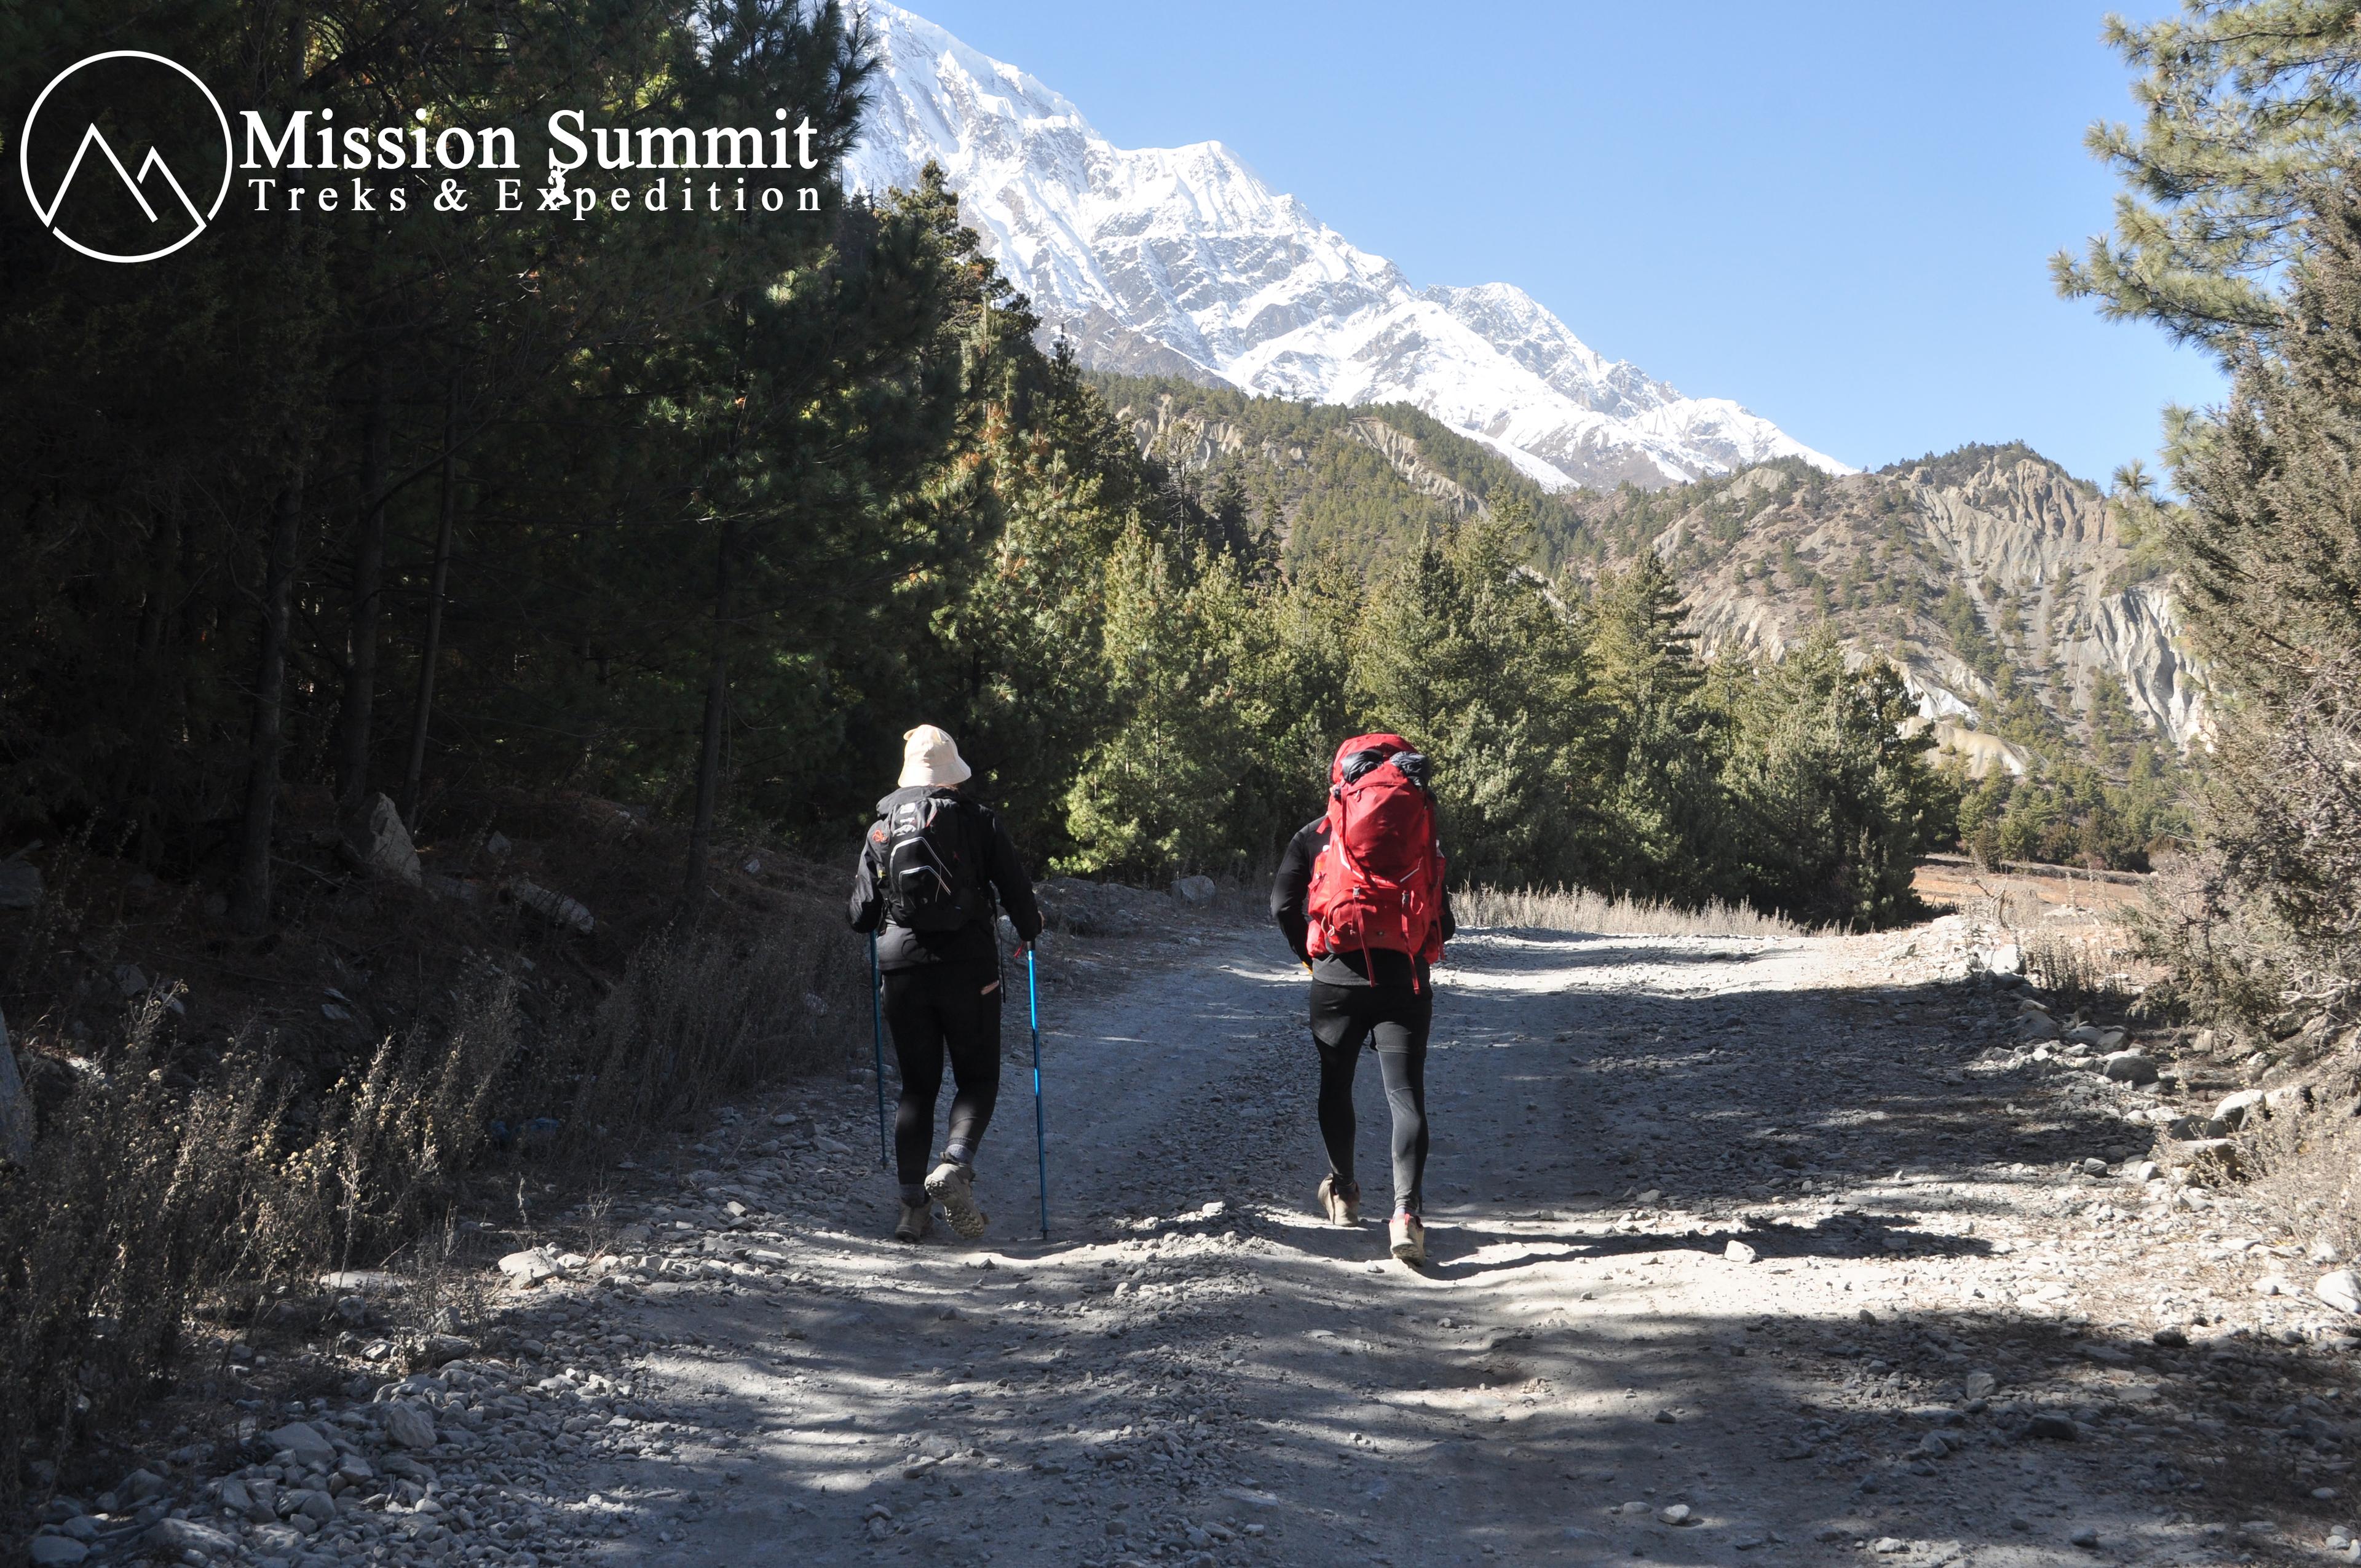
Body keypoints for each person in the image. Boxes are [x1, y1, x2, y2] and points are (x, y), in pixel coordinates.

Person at [848, 724, 1042, 1243]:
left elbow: (861, 916)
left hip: (902, 972)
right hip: (969, 968)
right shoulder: (979, 820)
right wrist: (1030, 933)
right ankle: (955, 1164)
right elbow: (1017, 890)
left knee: (917, 1087)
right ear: (952, 772)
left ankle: (913, 1209)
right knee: (978, 1077)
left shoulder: (881, 827)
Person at [1270, 733, 1453, 1265]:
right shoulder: (1421, 833)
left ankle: (1345, 1195)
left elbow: (1282, 905)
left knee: (1336, 1085)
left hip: (1334, 978)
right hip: (1406, 981)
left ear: (1342, 778)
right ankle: (1407, 1217)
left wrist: (1309, 958)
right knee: (1406, 1095)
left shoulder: (1316, 834)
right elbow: (1445, 919)